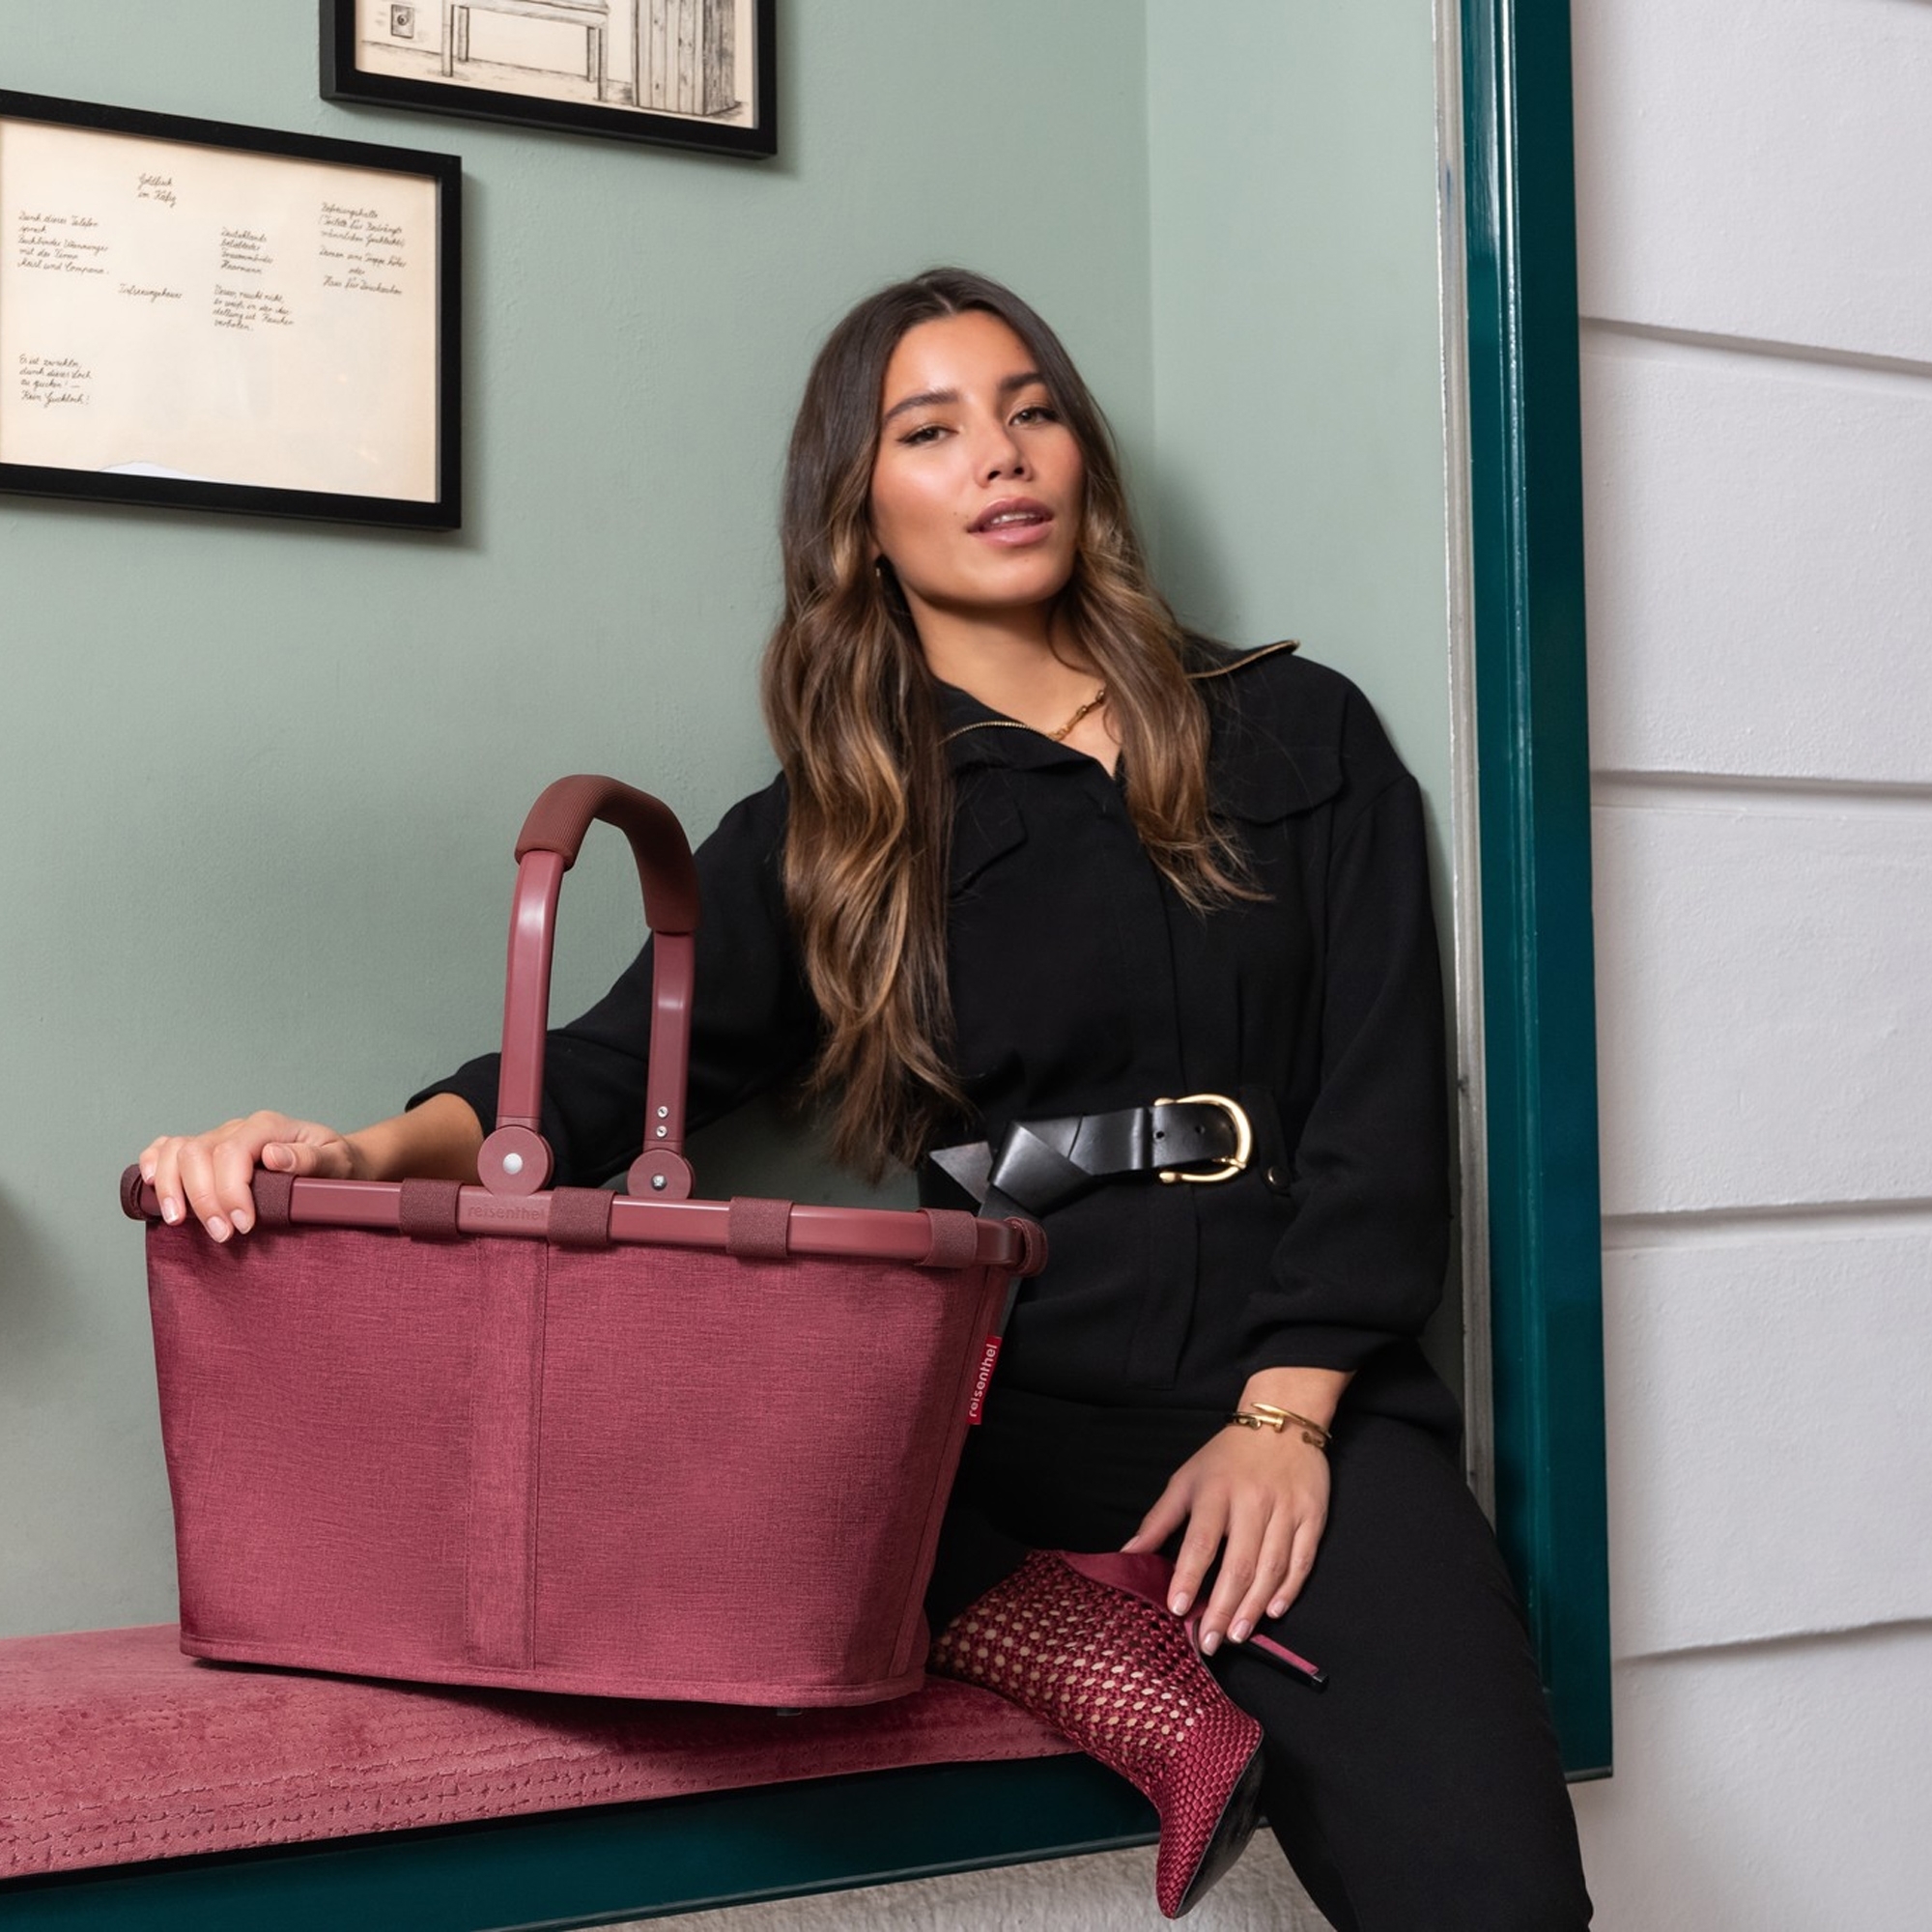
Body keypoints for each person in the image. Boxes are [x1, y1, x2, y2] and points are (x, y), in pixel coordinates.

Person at [139, 268, 1593, 1929]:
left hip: (1292, 1377)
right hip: (999, 1404)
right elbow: (602, 1078)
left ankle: (1155, 1595)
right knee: (716, 1420)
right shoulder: (831, 824)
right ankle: (1070, 1645)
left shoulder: (1298, 730)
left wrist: (1287, 1417)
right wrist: (348, 1149)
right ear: (862, 516)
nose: (1002, 454)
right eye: (934, 428)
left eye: (1031, 409)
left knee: (1502, 1905)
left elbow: (1386, 1101)